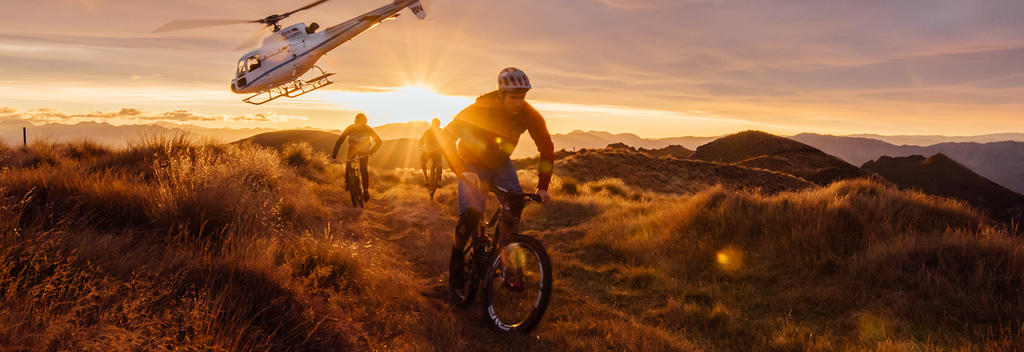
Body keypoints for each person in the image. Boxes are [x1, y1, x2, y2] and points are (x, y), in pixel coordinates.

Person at [441, 67, 554, 289]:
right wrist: (461, 170)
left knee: (515, 204)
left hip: (501, 162)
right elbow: (446, 136)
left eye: (521, 97)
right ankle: (456, 258)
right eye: (513, 97)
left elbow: (547, 149)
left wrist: (543, 187)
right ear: (501, 94)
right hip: (471, 162)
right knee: (470, 217)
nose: (517, 103)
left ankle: (508, 267)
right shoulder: (479, 109)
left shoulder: (529, 114)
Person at [331, 113, 383, 201]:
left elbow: (339, 141)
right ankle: (365, 190)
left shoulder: (351, 128)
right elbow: (379, 142)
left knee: (350, 162)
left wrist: (334, 156)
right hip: (364, 151)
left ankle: (350, 185)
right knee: (363, 169)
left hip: (355, 150)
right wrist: (370, 152)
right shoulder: (367, 128)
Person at [418, 118, 444, 186]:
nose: (436, 126)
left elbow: (446, 141)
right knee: (422, 161)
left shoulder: (441, 132)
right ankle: (426, 177)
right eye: (435, 124)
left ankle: (439, 180)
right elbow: (421, 141)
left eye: (437, 125)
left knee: (439, 164)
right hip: (428, 151)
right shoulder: (427, 132)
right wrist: (419, 146)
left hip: (436, 151)